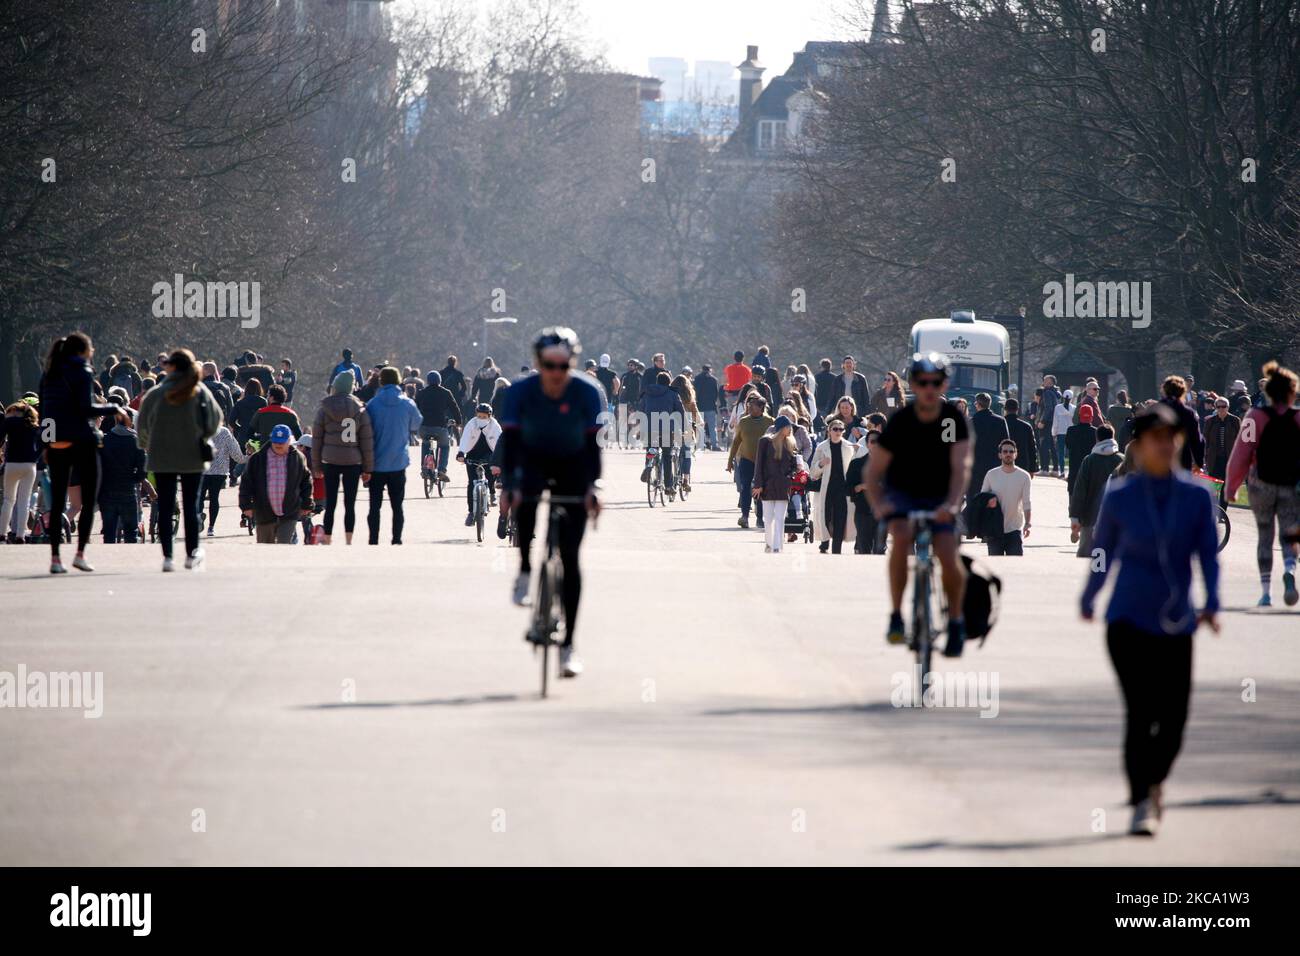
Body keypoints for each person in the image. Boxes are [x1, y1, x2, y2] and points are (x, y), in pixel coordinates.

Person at [1081, 403, 1220, 837]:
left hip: (1177, 622)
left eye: (1171, 438)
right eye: (1155, 439)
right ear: (1138, 448)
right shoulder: (1120, 496)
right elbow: (1101, 551)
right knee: (1140, 713)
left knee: (1174, 718)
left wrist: (1212, 601)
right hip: (1126, 620)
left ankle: (1154, 779)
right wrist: (1089, 596)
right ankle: (1144, 798)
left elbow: (1206, 558)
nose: (1165, 445)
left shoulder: (1197, 497)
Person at [499, 328, 604, 678]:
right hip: (532, 459)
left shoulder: (588, 393)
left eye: (563, 366)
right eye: (549, 365)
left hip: (573, 463)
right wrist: (508, 485)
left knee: (572, 558)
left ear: (572, 364)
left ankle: (569, 645)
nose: (556, 373)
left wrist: (593, 487)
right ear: (538, 363)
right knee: (524, 501)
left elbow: (593, 447)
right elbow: (511, 444)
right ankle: (526, 570)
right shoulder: (519, 392)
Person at [864, 353, 971, 654]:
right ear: (912, 384)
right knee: (899, 536)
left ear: (944, 383)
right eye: (922, 382)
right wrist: (880, 504)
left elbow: (960, 466)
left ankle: (956, 623)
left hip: (940, 493)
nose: (928, 388)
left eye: (935, 382)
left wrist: (951, 505)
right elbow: (873, 472)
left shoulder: (951, 419)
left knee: (948, 554)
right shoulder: (901, 422)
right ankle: (897, 616)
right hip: (904, 492)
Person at [38, 333, 129, 573]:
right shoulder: (83, 372)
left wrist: (46, 445)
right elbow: (86, 408)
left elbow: (46, 412)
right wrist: (115, 408)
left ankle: (55, 558)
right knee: (88, 500)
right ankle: (79, 554)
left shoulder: (49, 374)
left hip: (57, 443)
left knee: (57, 502)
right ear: (83, 350)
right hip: (81, 441)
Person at [135, 348, 222, 571]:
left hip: (161, 457)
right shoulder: (199, 391)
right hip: (192, 456)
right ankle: (192, 554)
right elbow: (215, 420)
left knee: (165, 506)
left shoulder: (155, 393)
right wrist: (203, 436)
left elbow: (142, 424)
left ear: (170, 367)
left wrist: (146, 445)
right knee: (191, 506)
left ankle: (167, 557)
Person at [1226, 361, 1300, 607]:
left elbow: (1241, 455)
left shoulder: (1254, 416)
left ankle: (1266, 591)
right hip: (1290, 484)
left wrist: (1232, 487)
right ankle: (1289, 567)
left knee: (1265, 535)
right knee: (1290, 533)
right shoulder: (1298, 417)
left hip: (1261, 483)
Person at [312, 370, 375, 545]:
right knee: (350, 503)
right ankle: (348, 540)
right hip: (352, 461)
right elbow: (366, 441)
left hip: (329, 460)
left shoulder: (324, 408)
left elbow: (316, 440)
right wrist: (367, 468)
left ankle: (328, 538)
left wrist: (316, 466)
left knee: (330, 503)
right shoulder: (359, 409)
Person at [364, 366, 422, 546]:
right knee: (397, 506)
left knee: (375, 506)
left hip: (377, 462)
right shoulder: (407, 403)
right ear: (398, 381)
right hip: (398, 462)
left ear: (381, 381)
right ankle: (396, 539)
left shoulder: (373, 404)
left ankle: (373, 539)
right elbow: (416, 425)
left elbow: (366, 430)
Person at [240, 423, 313, 543]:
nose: (278, 445)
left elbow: (306, 482)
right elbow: (246, 484)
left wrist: (307, 504)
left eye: (282, 442)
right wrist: (246, 505)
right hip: (264, 513)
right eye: (276, 441)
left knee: (283, 547)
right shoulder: (257, 459)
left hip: (289, 512)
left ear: (289, 441)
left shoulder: (298, 459)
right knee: (265, 547)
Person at [808, 417, 863, 554]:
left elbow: (856, 464)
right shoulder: (821, 447)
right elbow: (813, 473)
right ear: (829, 431)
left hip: (842, 490)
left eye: (841, 429)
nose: (838, 431)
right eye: (835, 429)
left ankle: (836, 549)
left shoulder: (848, 447)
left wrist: (857, 451)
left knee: (840, 518)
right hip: (826, 490)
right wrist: (821, 464)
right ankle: (825, 542)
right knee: (826, 518)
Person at [1069, 424, 1122, 557]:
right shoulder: (1122, 460)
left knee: (1086, 558)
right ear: (1113, 437)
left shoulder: (1089, 460)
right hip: (1115, 520)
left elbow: (1080, 490)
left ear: (1097, 439)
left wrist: (1075, 517)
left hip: (1089, 519)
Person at [726, 393, 774, 529]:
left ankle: (760, 518)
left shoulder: (770, 422)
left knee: (760, 488)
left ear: (761, 408)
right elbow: (736, 442)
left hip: (763, 462)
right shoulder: (744, 421)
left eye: (752, 406)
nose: (750, 408)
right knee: (745, 488)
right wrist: (730, 461)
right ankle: (745, 516)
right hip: (746, 460)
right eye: (749, 405)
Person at [752, 416, 798, 553]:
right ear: (781, 428)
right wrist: (758, 484)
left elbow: (793, 465)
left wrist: (791, 476)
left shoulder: (790, 443)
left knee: (780, 518)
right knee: (768, 518)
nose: (790, 429)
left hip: (783, 485)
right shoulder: (765, 442)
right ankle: (769, 544)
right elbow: (759, 465)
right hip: (767, 485)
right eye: (788, 426)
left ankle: (777, 546)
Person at [978, 439, 1031, 555]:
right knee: (996, 568)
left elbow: (1027, 502)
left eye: (1011, 452)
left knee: (1015, 568)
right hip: (994, 529)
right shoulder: (991, 474)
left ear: (1016, 454)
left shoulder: (1024, 476)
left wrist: (1028, 523)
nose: (1008, 454)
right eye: (1005, 451)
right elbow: (981, 499)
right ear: (1000, 455)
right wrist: (988, 502)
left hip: (1014, 529)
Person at [0, 401, 42, 543]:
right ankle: (20, 535)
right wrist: (35, 457)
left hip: (12, 464)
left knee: (8, 500)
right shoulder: (34, 425)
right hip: (29, 465)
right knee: (24, 501)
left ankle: (2, 533)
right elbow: (43, 444)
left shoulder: (9, 423)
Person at [639, 371, 686, 493]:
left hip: (650, 427)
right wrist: (684, 427)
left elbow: (641, 409)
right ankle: (669, 486)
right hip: (666, 428)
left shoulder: (647, 392)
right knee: (666, 455)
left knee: (651, 449)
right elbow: (680, 412)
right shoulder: (672, 393)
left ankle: (648, 465)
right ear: (668, 382)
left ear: (657, 382)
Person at [456, 403, 502, 525]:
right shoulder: (472, 423)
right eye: (479, 416)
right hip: (473, 455)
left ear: (489, 416)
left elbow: (500, 442)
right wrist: (461, 453)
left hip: (490, 455)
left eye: (484, 416)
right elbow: (465, 438)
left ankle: (491, 493)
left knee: (490, 476)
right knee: (471, 483)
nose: (481, 419)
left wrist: (499, 458)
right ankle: (471, 513)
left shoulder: (495, 425)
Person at [416, 370, 462, 481]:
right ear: (440, 381)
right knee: (445, 446)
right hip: (440, 426)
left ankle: (424, 468)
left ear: (427, 381)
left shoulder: (421, 393)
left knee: (425, 443)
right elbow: (454, 408)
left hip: (424, 426)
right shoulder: (446, 392)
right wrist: (458, 422)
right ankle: (442, 469)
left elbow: (414, 408)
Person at [201, 420, 245, 537]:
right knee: (214, 498)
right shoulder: (224, 432)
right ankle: (211, 527)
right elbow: (235, 453)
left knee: (199, 497)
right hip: (219, 472)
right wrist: (245, 459)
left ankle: (199, 515)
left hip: (201, 470)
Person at [967, 392, 1010, 503]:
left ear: (977, 404)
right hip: (994, 463)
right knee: (992, 496)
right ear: (989, 404)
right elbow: (1006, 442)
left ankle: (974, 518)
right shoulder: (1000, 421)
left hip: (974, 465)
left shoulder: (971, 422)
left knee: (974, 495)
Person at [1158, 375, 1205, 471]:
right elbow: (1196, 440)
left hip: (1158, 460)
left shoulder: (1155, 411)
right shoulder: (1188, 413)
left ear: (1164, 390)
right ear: (1182, 391)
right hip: (1182, 460)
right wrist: (1198, 462)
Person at [670, 374, 702, 493]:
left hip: (672, 428)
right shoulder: (689, 398)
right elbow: (696, 415)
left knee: (670, 452)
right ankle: (685, 480)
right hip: (686, 429)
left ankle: (668, 479)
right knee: (686, 454)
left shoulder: (671, 394)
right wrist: (700, 423)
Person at [1201, 396, 1239, 481]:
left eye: (1224, 406)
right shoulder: (1210, 421)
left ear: (1228, 407)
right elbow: (1205, 439)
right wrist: (1204, 457)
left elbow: (1239, 439)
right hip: (1214, 458)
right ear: (1215, 408)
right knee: (1214, 486)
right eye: (1218, 407)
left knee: (1227, 485)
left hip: (1229, 457)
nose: (1221, 409)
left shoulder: (1235, 420)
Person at [1065, 403, 1099, 497]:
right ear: (1091, 417)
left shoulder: (1071, 430)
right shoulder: (1095, 432)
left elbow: (1068, 446)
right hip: (1089, 472)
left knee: (1072, 503)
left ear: (1079, 416)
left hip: (1074, 471)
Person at [1003, 398, 1039, 475]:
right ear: (1017, 409)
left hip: (1003, 464)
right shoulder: (1026, 426)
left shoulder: (999, 424)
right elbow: (1032, 449)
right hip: (1022, 465)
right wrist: (1032, 468)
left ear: (1005, 408)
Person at [1036, 374, 1062, 476]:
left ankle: (1044, 469)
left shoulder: (1046, 393)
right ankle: (1055, 469)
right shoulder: (1057, 393)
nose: (1043, 382)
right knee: (1053, 446)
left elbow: (1048, 408)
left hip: (1046, 423)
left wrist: (1042, 421)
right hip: (1054, 422)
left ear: (1050, 383)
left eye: (1045, 380)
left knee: (1044, 446)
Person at [693, 363, 721, 450]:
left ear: (702, 369)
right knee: (712, 428)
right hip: (711, 407)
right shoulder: (713, 380)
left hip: (700, 406)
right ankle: (714, 445)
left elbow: (694, 392)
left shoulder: (697, 379)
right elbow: (716, 394)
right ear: (710, 370)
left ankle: (700, 445)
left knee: (700, 427)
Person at [1052, 388, 1074, 478]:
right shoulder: (1074, 408)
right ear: (1071, 398)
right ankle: (1070, 471)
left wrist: (1054, 433)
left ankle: (1062, 471)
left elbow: (1055, 422)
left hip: (1060, 433)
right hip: (1071, 433)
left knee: (1061, 453)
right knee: (1071, 454)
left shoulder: (1058, 408)